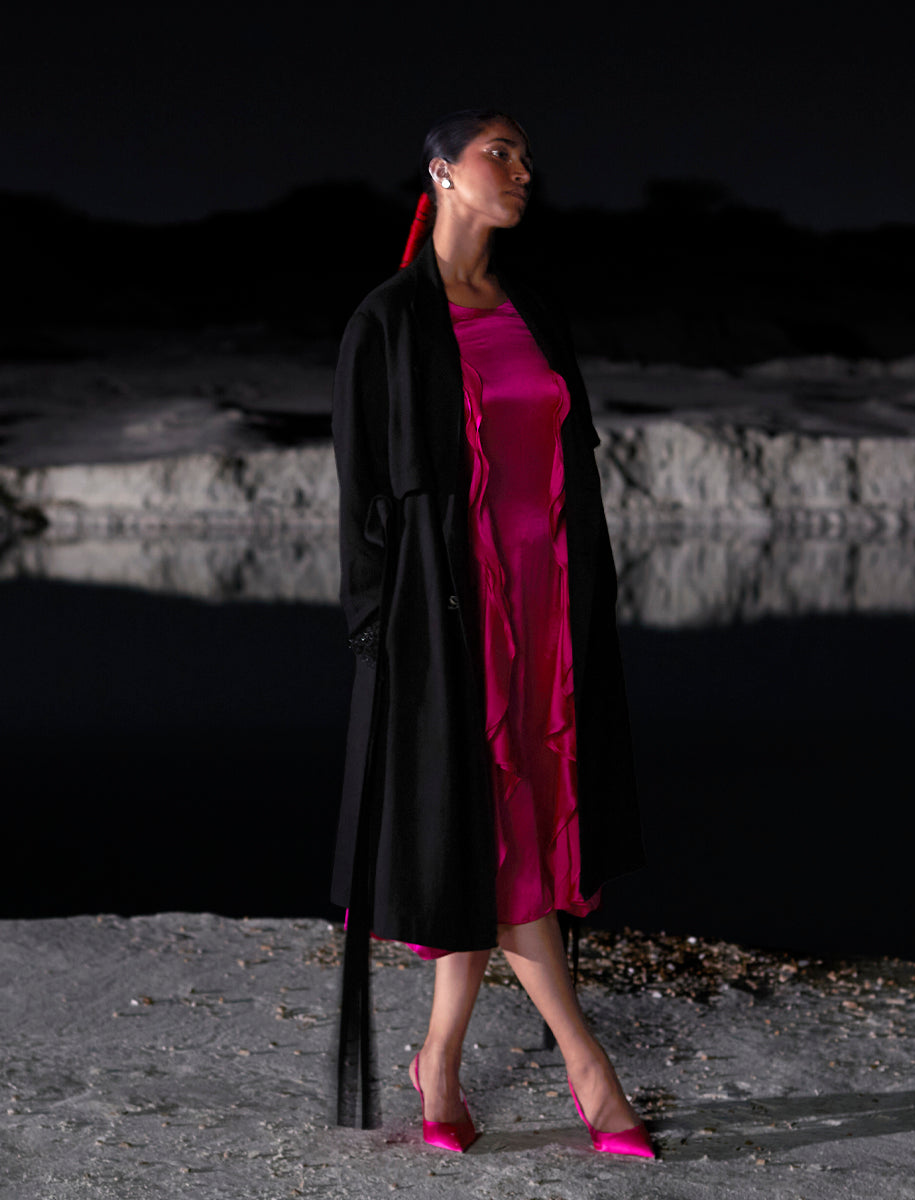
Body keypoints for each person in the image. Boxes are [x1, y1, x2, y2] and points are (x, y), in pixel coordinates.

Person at [330, 109, 651, 1158]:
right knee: (497, 829)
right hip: (447, 620)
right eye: (498, 154)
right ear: (441, 172)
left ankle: (438, 1061)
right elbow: (362, 501)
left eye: (524, 158)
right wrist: (379, 638)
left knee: (503, 834)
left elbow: (573, 467)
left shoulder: (533, 309)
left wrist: (590, 596)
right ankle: (587, 1067)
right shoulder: (387, 320)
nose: (521, 171)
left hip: (548, 608)